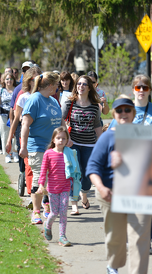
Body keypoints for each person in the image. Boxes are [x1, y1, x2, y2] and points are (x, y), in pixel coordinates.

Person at [86, 97, 152, 274]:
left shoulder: (146, 135)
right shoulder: (107, 138)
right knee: (116, 238)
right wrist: (101, 188)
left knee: (140, 240)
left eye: (127, 110)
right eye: (120, 110)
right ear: (114, 114)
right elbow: (92, 167)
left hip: (140, 193)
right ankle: (113, 265)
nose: (124, 113)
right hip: (111, 194)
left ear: (133, 114)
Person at [19, 71, 71, 224]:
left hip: (54, 149)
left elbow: (61, 121)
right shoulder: (34, 100)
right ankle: (36, 212)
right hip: (37, 147)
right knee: (39, 179)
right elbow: (25, 124)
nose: (58, 88)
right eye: (56, 85)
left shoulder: (53, 101)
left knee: (52, 179)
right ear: (50, 86)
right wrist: (23, 146)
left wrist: (67, 138)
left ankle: (46, 206)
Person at [61, 75, 102, 215]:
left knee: (87, 176)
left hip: (90, 144)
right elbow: (61, 122)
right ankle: (74, 204)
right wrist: (66, 138)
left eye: (84, 84)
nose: (81, 86)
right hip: (73, 143)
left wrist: (102, 144)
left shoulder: (95, 106)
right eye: (79, 83)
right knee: (74, 173)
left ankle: (84, 195)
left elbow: (97, 125)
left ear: (89, 87)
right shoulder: (69, 102)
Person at [5, 66, 41, 193]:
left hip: (42, 135)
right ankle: (33, 195)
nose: (36, 81)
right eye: (33, 79)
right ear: (28, 81)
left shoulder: (46, 96)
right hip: (26, 134)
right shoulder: (23, 97)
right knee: (29, 164)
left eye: (39, 79)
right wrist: (9, 139)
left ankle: (43, 194)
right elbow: (15, 119)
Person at [37, 126, 72, 246]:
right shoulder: (48, 154)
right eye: (58, 138)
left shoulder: (69, 153)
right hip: (52, 189)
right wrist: (41, 185)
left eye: (63, 138)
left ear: (67, 140)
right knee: (54, 213)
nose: (61, 141)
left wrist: (76, 180)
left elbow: (73, 169)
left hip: (65, 187)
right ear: (53, 140)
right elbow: (43, 171)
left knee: (63, 212)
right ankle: (48, 224)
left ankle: (62, 236)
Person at [0, 72, 16, 163]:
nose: (9, 81)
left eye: (11, 79)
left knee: (14, 135)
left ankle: (14, 153)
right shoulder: (1, 90)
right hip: (3, 115)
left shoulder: (16, 90)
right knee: (4, 135)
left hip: (14, 115)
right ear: (4, 80)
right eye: (7, 79)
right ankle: (7, 154)